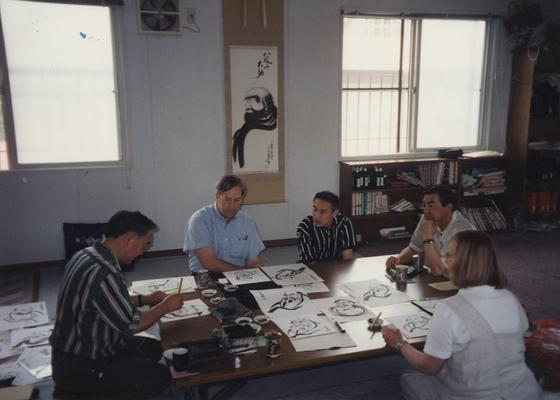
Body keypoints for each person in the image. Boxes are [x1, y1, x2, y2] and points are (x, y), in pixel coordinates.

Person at [382, 231, 543, 400]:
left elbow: (429, 367)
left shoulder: (448, 309)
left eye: (449, 256)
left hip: (474, 395)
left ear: (464, 264)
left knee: (410, 378)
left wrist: (399, 343)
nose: (445, 262)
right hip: (525, 393)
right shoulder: (511, 299)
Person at [50, 211, 184, 399]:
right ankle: (85, 390)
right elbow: (133, 324)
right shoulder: (104, 273)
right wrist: (165, 306)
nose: (144, 250)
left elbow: (102, 301)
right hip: (83, 365)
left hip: (73, 351)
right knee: (160, 377)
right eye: (145, 244)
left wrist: (143, 299)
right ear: (128, 239)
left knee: (152, 348)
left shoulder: (87, 254)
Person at [183, 175, 265, 273]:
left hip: (240, 277)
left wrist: (257, 271)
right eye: (227, 199)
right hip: (207, 278)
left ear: (242, 199)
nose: (231, 206)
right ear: (217, 196)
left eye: (237, 200)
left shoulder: (247, 222)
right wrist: (244, 272)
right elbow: (209, 263)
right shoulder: (199, 220)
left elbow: (254, 261)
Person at [385, 186, 474, 276]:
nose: (426, 210)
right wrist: (397, 260)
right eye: (424, 205)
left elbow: (439, 270)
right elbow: (412, 249)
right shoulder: (427, 218)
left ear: (448, 207)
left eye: (431, 205)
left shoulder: (461, 229)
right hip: (442, 278)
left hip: (464, 281)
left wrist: (427, 237)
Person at [297, 191, 356, 264]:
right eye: (315, 209)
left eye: (322, 212)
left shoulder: (344, 224)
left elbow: (348, 259)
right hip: (313, 269)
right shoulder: (305, 226)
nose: (317, 215)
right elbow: (309, 261)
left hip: (338, 269)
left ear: (334, 213)